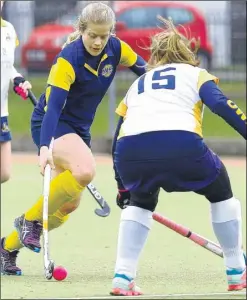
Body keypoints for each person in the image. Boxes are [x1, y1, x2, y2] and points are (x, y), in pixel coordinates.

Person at [0, 1, 146, 276]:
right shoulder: (68, 59)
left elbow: (145, 72)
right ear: (81, 30)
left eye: (104, 35)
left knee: (66, 204)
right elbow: (53, 109)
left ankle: (6, 247)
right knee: (85, 170)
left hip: (79, 131)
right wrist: (44, 148)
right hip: (51, 124)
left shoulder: (116, 49)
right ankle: (29, 221)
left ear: (111, 33)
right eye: (92, 35)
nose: (98, 41)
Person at [110, 16, 246, 296]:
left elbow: (117, 136)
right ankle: (236, 271)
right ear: (188, 53)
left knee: (140, 200)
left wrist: (122, 184)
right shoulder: (197, 74)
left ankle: (123, 277)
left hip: (130, 153)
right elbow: (221, 104)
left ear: (155, 57)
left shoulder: (139, 83)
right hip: (180, 145)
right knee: (221, 191)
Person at [1, 0, 32, 184]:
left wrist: (17, 79)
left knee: (4, 173)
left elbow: (7, 66)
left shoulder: (9, 31)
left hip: (1, 112)